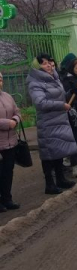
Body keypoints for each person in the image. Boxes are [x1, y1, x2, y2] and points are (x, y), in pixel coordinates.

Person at [27, 53, 77, 195]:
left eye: (50, 62)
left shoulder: (54, 78)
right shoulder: (35, 82)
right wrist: (62, 105)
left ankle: (61, 179)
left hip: (60, 119)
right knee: (49, 154)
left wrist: (70, 93)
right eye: (44, 63)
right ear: (37, 67)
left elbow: (59, 95)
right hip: (48, 122)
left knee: (59, 151)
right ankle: (49, 184)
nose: (49, 65)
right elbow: (40, 103)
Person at [0, 71, 21, 211]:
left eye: (0, 79)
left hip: (10, 141)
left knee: (8, 171)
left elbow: (17, 111)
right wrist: (8, 123)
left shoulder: (7, 96)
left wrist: (15, 119)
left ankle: (7, 198)